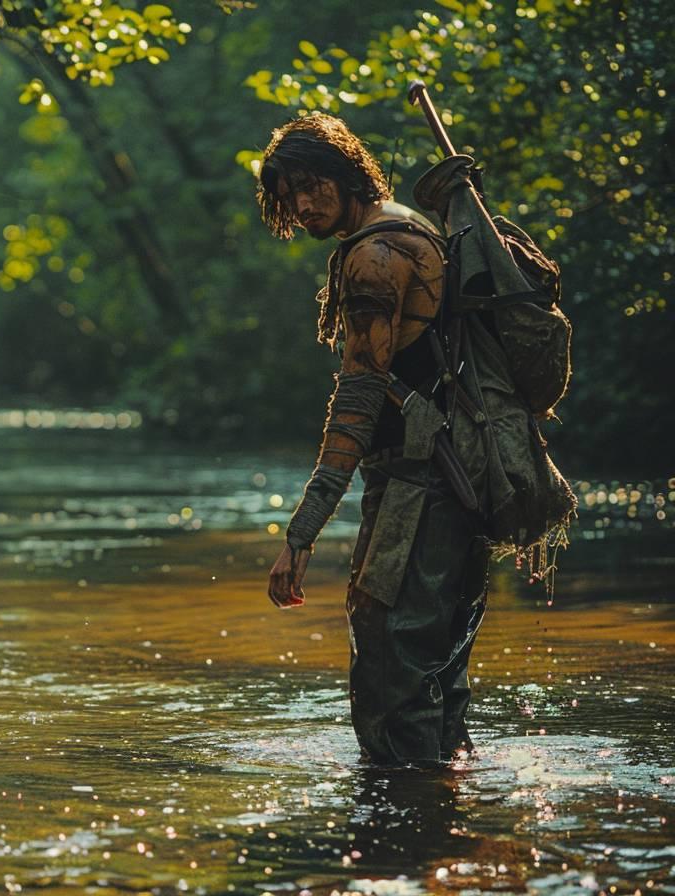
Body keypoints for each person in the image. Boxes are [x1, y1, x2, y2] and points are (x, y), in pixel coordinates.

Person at [255, 113, 489, 766]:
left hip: (420, 490)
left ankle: (400, 844)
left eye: (310, 186)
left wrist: (302, 530)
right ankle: (447, 831)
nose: (301, 206)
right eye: (287, 196)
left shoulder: (373, 257)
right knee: (438, 678)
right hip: (459, 482)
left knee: (390, 670)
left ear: (346, 172)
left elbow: (359, 397)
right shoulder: (416, 227)